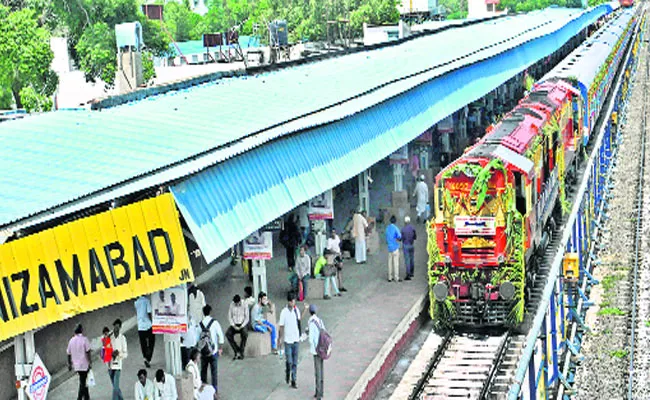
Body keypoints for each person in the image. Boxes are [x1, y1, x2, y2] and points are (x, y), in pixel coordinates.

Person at [278, 293, 309, 388]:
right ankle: (288, 371)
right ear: (288, 302)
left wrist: (305, 310)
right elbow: (281, 326)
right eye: (292, 301)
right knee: (289, 360)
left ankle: (293, 379)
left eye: (294, 301)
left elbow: (299, 319)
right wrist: (280, 338)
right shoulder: (284, 312)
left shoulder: (296, 311)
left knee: (295, 361)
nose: (293, 302)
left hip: (295, 339)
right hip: (288, 340)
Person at [198, 305, 224, 394]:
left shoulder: (200, 324)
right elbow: (221, 336)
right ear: (210, 312)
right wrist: (220, 348)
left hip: (203, 352)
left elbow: (197, 339)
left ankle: (203, 391)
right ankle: (215, 391)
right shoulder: (215, 323)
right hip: (213, 352)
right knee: (214, 373)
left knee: (203, 372)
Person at [67, 324, 91, 400]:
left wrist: (69, 364)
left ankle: (87, 397)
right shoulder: (84, 339)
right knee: (83, 382)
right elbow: (88, 351)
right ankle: (79, 398)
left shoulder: (71, 341)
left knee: (83, 380)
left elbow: (68, 353)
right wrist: (90, 362)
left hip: (76, 365)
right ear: (81, 330)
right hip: (84, 364)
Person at [308, 305, 325, 400]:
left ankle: (318, 394)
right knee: (321, 371)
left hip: (316, 350)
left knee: (317, 372)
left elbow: (311, 339)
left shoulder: (311, 322)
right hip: (322, 348)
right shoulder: (320, 321)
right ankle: (321, 391)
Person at [225, 294, 250, 360]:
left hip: (242, 324)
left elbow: (247, 317)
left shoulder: (244, 304)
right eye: (235, 303)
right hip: (234, 324)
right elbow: (229, 316)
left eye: (237, 303)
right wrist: (233, 325)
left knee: (245, 334)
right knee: (228, 334)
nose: (236, 304)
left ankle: (241, 351)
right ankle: (236, 349)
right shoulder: (232, 304)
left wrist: (242, 326)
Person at [109, 319, 128, 400]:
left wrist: (118, 354)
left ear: (120, 328)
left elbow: (125, 354)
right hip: (110, 365)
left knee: (115, 386)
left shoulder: (122, 338)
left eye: (117, 327)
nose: (115, 329)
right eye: (114, 327)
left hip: (118, 365)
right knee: (115, 386)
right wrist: (111, 353)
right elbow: (104, 351)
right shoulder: (109, 337)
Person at [134, 295, 155, 368]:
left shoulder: (136, 302)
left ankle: (145, 357)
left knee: (143, 344)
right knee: (151, 342)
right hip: (148, 325)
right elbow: (149, 312)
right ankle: (148, 358)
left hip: (140, 326)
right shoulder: (146, 301)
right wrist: (153, 321)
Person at [385, 215, 402, 282]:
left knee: (389, 263)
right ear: (395, 221)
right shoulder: (395, 228)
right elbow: (399, 237)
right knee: (396, 263)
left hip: (389, 247)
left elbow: (386, 237)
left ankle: (389, 277)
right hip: (395, 247)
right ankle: (396, 277)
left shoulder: (387, 228)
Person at [401, 216, 417, 280]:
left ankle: (408, 274)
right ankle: (412, 272)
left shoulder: (403, 229)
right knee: (412, 259)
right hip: (411, 244)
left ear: (405, 222)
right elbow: (415, 237)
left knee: (407, 260)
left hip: (405, 245)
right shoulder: (413, 228)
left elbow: (401, 238)